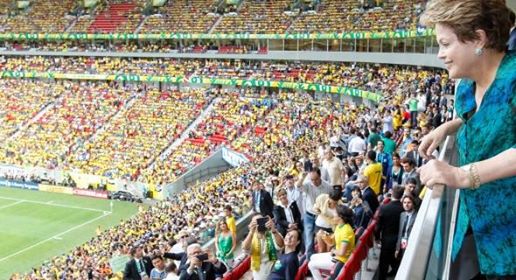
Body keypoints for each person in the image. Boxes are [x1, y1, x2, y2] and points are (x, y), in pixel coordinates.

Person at [420, 1, 515, 277]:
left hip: (508, 240)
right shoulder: (466, 86)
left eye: (445, 44)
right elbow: (485, 114)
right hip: (474, 227)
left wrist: (462, 175)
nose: (440, 54)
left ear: (478, 39)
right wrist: (448, 127)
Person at [308, 205, 355, 280]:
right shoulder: (339, 226)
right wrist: (324, 235)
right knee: (312, 257)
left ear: (340, 217)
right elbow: (331, 243)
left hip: (341, 260)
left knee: (311, 264)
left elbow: (342, 253)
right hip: (337, 255)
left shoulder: (346, 231)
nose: (333, 215)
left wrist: (333, 251)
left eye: (335, 213)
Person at [295, 167, 333, 260]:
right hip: (309, 215)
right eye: (312, 179)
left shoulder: (327, 186)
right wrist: (301, 178)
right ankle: (309, 260)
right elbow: (298, 186)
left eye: (316, 179)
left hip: (321, 216)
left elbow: (331, 200)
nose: (314, 182)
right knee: (309, 240)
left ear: (320, 176)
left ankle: (322, 260)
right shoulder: (308, 184)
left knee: (322, 239)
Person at [242, 214, 285, 280]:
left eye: (261, 221)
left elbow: (281, 245)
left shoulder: (271, 232)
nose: (259, 224)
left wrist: (273, 230)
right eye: (256, 222)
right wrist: (251, 232)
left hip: (274, 267)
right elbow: (245, 248)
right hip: (259, 271)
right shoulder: (251, 237)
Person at [375, 186, 405, 280]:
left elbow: (378, 226)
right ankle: (395, 271)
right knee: (395, 258)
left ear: (392, 193)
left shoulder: (384, 208)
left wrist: (377, 237)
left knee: (384, 263)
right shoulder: (403, 208)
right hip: (399, 239)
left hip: (386, 238)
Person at [313, 188, 344, 253]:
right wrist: (317, 210)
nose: (332, 204)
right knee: (321, 249)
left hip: (331, 228)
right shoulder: (322, 198)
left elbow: (339, 218)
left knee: (329, 250)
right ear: (328, 197)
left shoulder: (340, 205)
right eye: (331, 201)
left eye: (335, 203)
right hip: (320, 226)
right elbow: (315, 207)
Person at [395, 195, 418, 262]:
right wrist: (397, 248)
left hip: (412, 246)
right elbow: (400, 233)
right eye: (404, 203)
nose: (406, 205)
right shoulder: (402, 214)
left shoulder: (417, 216)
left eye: (409, 202)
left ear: (413, 204)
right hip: (403, 244)